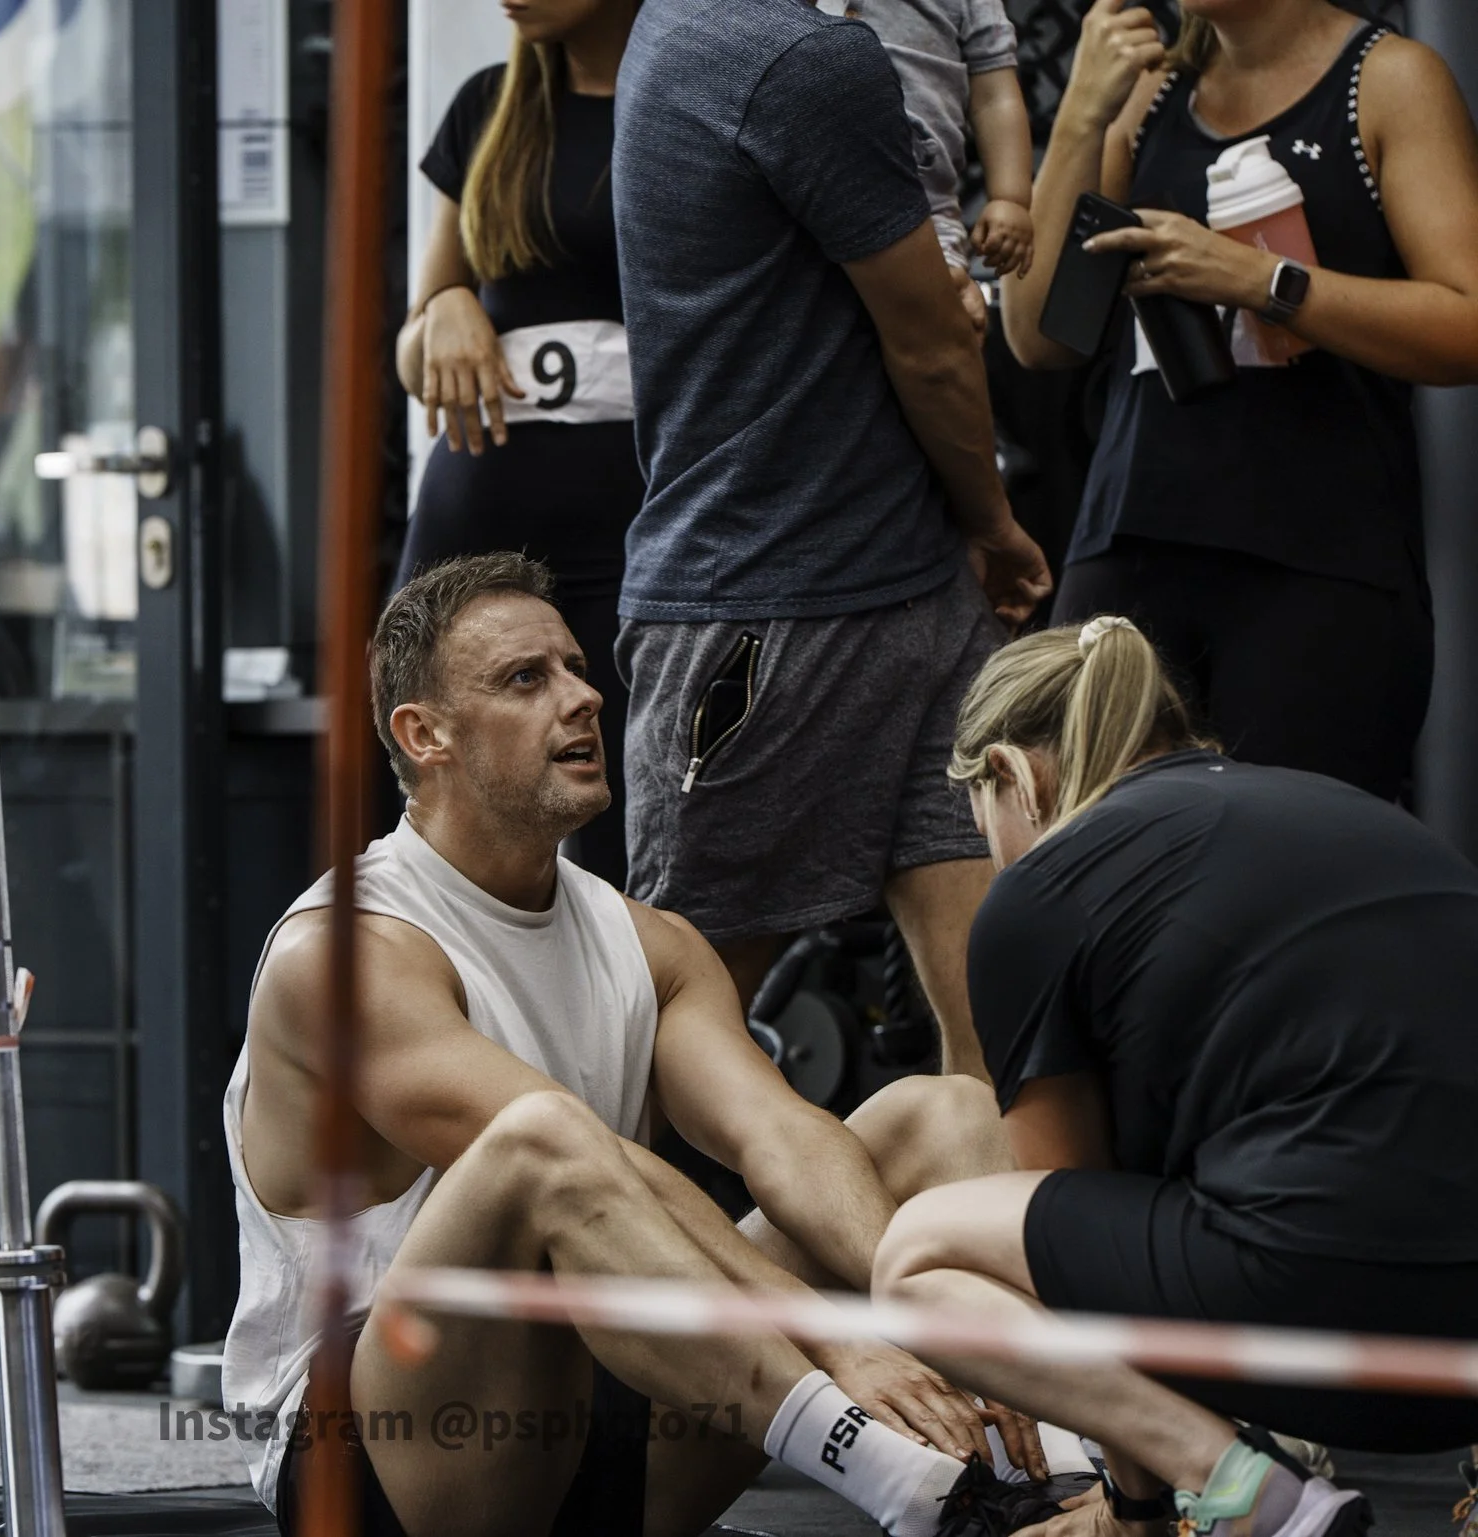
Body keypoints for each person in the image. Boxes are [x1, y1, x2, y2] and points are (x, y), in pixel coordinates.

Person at [222, 555, 1093, 1537]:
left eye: (574, 667)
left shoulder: (650, 943)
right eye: (525, 678)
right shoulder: (346, 955)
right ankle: (910, 1487)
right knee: (540, 1140)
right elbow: (576, 1160)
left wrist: (932, 1317)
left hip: (619, 1422)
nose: (583, 696)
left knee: (942, 1114)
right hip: (391, 1456)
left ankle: (1070, 1476)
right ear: (426, 736)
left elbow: (780, 1138)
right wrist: (835, 1338)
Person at [871, 616, 1478, 1537]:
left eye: (980, 820)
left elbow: (1073, 1235)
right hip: (1455, 1373)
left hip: (1338, 1322)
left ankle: (1243, 1496)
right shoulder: (1355, 812)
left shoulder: (1042, 889)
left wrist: (1134, 1504)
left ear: (1011, 774)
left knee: (919, 1251)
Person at [609, 0, 1053, 1077]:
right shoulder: (798, 60)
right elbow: (932, 343)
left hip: (896, 582)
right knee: (672, 1046)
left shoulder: (679, 26)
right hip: (768, 607)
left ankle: (970, 1202)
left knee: (1001, 1033)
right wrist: (991, 521)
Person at [1000, 0, 1478, 804]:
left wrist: (1261, 280)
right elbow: (1039, 337)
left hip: (1318, 557)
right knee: (1093, 845)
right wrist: (1081, 114)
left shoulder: (1387, 79)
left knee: (1289, 857)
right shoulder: (1147, 89)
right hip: (1130, 538)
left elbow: (1466, 322)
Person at [393, 0, 642, 885]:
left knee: (619, 819)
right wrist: (445, 308)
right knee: (433, 801)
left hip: (637, 527)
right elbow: (413, 358)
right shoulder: (489, 106)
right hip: (475, 515)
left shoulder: (687, 101)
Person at [815, 0, 1039, 335]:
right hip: (811, 194)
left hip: (927, 208)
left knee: (945, 324)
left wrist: (1011, 198)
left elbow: (996, 97)